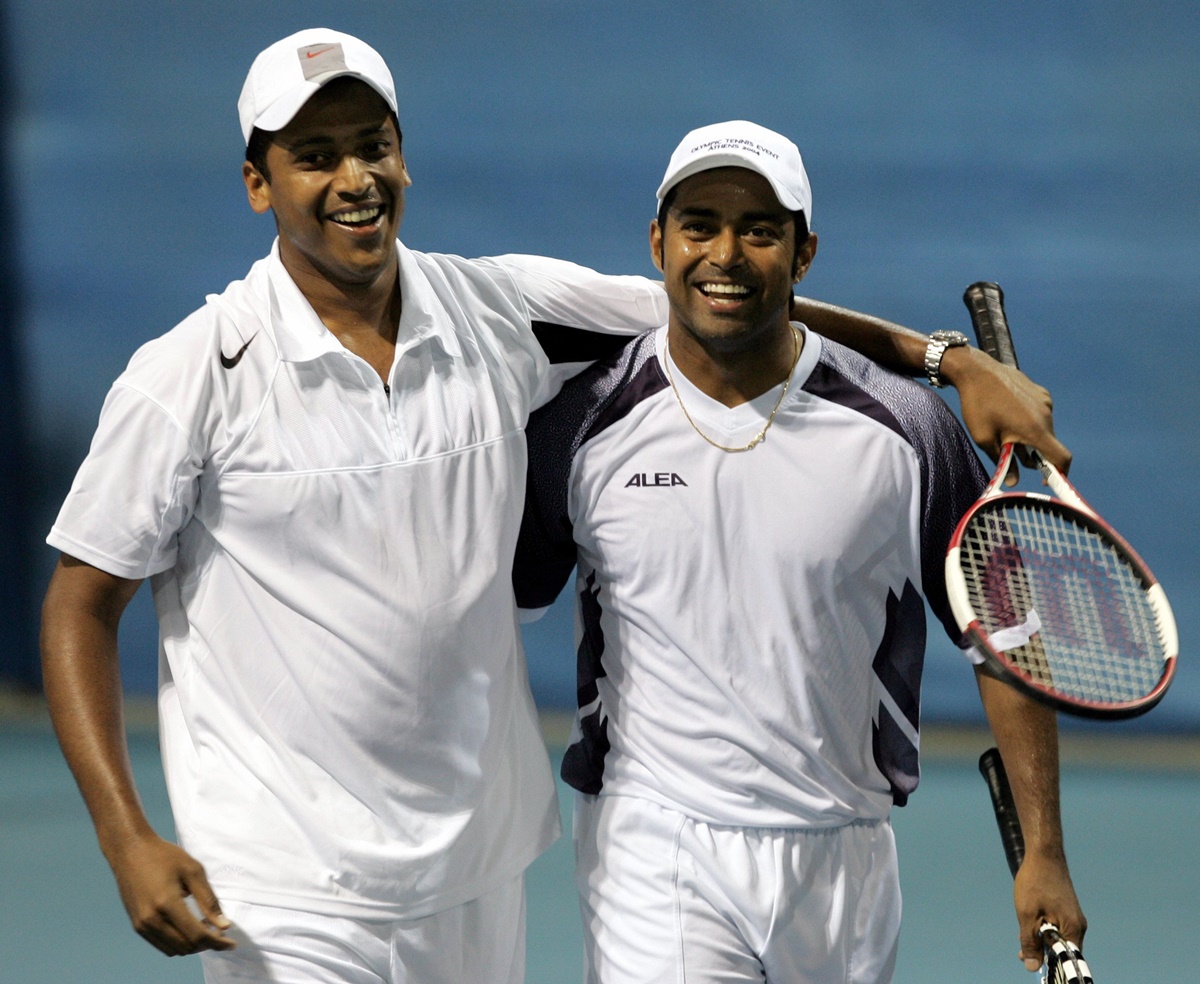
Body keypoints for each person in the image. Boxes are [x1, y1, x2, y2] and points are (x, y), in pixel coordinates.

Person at [39, 29, 1068, 984]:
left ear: (403, 156)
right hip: (282, 879)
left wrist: (943, 358)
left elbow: (726, 300)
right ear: (260, 183)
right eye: (315, 156)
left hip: (477, 865)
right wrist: (126, 834)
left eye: (374, 147)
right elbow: (78, 606)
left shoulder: (502, 309)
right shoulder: (189, 376)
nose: (354, 180)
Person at [514, 120, 1085, 984]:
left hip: (845, 855)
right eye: (700, 224)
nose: (726, 254)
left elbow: (1007, 637)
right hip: (652, 842)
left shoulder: (910, 431)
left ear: (804, 252)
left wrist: (1043, 850)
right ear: (658, 242)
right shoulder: (583, 426)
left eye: (760, 231)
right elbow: (501, 598)